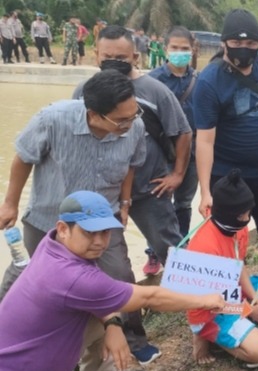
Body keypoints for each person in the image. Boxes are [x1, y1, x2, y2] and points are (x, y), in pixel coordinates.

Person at [0, 191, 225, 371]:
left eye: (105, 232)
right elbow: (150, 297)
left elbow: (95, 298)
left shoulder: (52, 243)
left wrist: (113, 324)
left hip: (31, 352)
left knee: (103, 315)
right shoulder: (73, 276)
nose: (99, 242)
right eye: (90, 232)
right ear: (63, 229)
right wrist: (204, 300)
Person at [0, 70, 159, 364]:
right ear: (94, 114)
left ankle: (133, 338)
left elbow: (131, 166)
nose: (130, 123)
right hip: (49, 219)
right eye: (121, 119)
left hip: (104, 218)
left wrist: (124, 202)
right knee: (26, 276)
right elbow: (23, 157)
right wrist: (10, 203)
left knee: (120, 275)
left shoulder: (133, 126)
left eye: (133, 114)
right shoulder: (52, 119)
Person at [75, 25, 191, 342]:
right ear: (95, 55)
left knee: (174, 248)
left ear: (135, 56)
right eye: (107, 57)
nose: (114, 61)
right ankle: (132, 333)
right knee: (116, 269)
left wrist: (177, 174)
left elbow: (183, 131)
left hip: (150, 190)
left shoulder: (154, 91)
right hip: (103, 198)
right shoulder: (84, 92)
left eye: (121, 58)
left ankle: (203, 305)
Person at [194, 8, 258, 277]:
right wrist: (205, 191)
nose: (244, 49)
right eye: (237, 43)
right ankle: (229, 298)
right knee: (228, 240)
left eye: (250, 44)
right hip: (228, 176)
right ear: (224, 42)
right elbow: (204, 141)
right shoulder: (209, 81)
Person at [185, 171, 258, 368]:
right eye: (244, 214)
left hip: (232, 290)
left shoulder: (236, 227)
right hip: (211, 308)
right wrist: (250, 310)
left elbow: (238, 265)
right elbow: (208, 301)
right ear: (229, 214)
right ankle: (204, 334)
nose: (248, 218)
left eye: (249, 212)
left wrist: (255, 299)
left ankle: (246, 325)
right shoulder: (204, 249)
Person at [149, 26, 200, 239]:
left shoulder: (200, 80)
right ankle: (155, 251)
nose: (180, 52)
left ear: (193, 49)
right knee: (159, 203)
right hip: (162, 152)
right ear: (165, 49)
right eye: (175, 48)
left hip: (193, 153)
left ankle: (181, 246)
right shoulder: (152, 81)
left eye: (185, 48)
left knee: (184, 203)